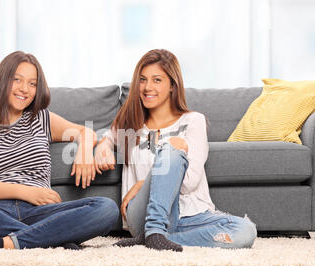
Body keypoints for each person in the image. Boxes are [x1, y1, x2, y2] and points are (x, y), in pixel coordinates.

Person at [0, 51, 119, 251]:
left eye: (32, 83)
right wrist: (28, 192)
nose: (25, 89)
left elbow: (85, 132)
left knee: (106, 209)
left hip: (42, 211)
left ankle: (6, 242)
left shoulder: (41, 119)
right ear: (3, 81)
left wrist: (83, 153)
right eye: (17, 80)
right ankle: (53, 239)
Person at [94, 49, 257, 252]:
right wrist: (102, 147)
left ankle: (156, 239)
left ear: (172, 85)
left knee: (245, 231)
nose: (147, 87)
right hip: (144, 215)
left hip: (193, 216)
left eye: (157, 80)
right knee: (174, 147)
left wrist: (143, 183)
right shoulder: (131, 123)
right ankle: (154, 230)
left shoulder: (193, 121)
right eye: (142, 80)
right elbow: (107, 138)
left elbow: (189, 183)